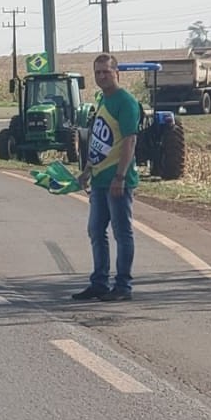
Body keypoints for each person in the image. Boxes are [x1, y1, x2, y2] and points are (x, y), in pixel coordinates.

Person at [72, 53, 140, 302]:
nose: (101, 76)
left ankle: (123, 286)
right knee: (95, 231)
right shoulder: (102, 100)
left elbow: (130, 140)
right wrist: (88, 170)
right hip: (100, 179)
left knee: (122, 233)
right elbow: (99, 141)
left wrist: (120, 177)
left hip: (117, 181)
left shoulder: (126, 102)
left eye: (106, 72)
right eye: (97, 72)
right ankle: (99, 282)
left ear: (117, 73)